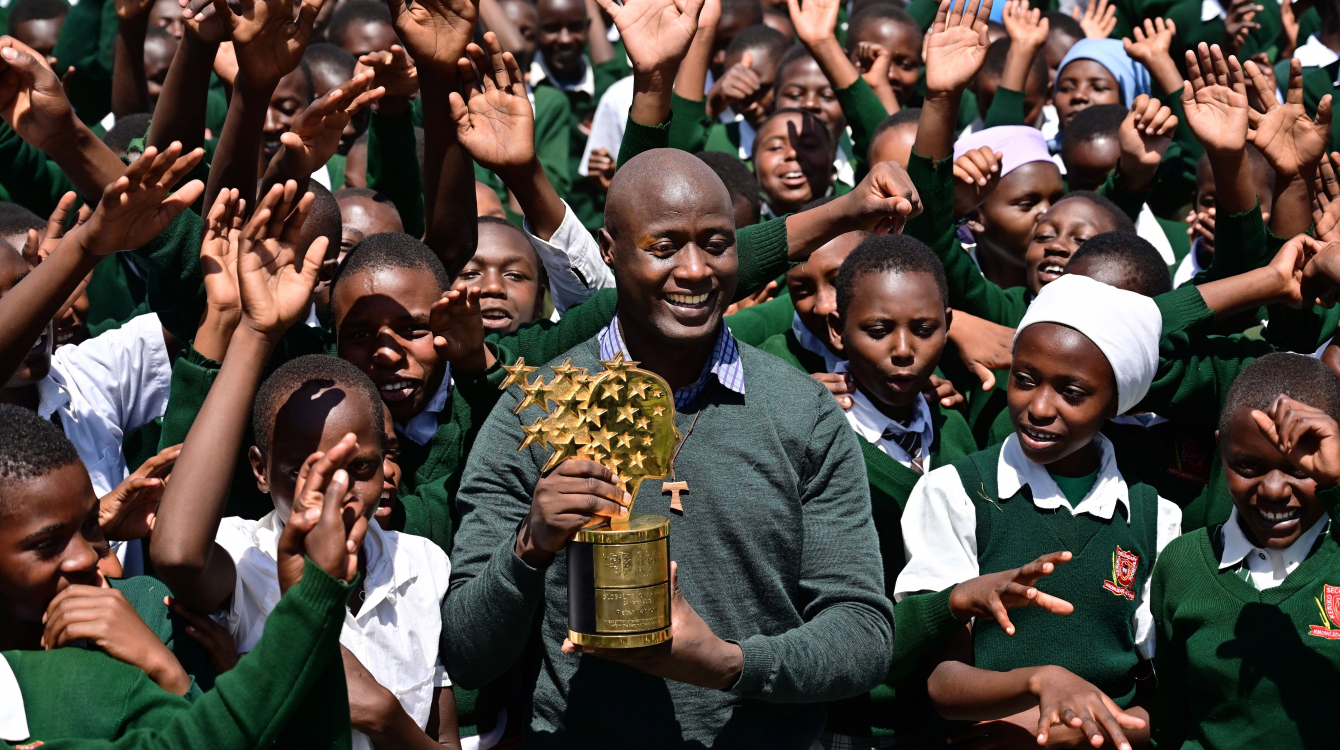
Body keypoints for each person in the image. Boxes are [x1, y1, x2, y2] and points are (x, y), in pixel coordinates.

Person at [149, 187, 462, 750]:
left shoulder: (423, 566)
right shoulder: (245, 558)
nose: (336, 492)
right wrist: (254, 332)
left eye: (360, 467)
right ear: (260, 471)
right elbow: (175, 552)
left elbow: (443, 738)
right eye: (307, 471)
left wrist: (383, 716)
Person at [898, 274, 1183, 750]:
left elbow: (1168, 694)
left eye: (1072, 393)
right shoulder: (957, 493)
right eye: (1025, 380)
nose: (1040, 407)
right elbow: (944, 685)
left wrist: (1069, 733)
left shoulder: (1153, 519)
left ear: (1115, 402)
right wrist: (1039, 681)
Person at [0, 402, 365, 750]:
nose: (85, 557)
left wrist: (167, 667)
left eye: (92, 523)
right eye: (47, 544)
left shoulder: (149, 610)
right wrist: (167, 673)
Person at [1151, 354, 1340, 750]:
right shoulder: (1182, 563)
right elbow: (1170, 719)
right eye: (1248, 465)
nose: (1273, 489)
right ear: (1222, 449)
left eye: (1302, 469)